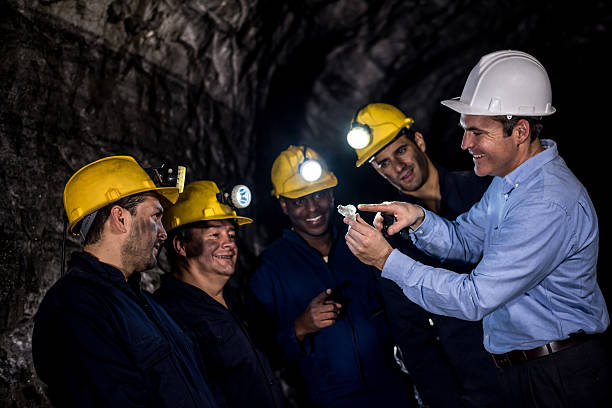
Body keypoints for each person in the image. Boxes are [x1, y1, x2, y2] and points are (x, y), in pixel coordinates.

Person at [343, 50, 610, 407]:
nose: (465, 144)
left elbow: (475, 298)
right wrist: (420, 219)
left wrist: (386, 261)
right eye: (464, 130)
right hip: (522, 371)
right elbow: (466, 239)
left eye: (476, 132)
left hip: (559, 373)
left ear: (520, 130)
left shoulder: (545, 203)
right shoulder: (509, 182)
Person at [345, 102, 503, 408]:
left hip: (530, 360)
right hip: (475, 384)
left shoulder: (484, 190)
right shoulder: (390, 238)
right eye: (384, 163)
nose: (398, 166)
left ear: (419, 141)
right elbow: (411, 334)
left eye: (401, 151)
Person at [32, 156, 218, 407]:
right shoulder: (74, 308)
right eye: (155, 217)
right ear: (120, 219)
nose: (163, 232)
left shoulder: (146, 304)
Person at [249, 145, 414, 408]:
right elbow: (261, 358)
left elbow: (406, 317)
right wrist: (300, 328)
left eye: (319, 195)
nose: (312, 208)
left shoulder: (364, 243)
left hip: (393, 392)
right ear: (283, 205)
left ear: (332, 194)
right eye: (299, 201)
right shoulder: (269, 271)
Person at [154, 180, 286, 408]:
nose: (229, 244)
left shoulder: (229, 304)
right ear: (180, 246)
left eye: (231, 235)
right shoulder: (171, 317)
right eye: (214, 235)